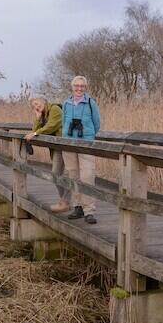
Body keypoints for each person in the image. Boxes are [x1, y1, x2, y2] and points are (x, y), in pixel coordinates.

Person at [62, 76, 100, 224]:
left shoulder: (91, 103)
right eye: (76, 86)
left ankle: (89, 211)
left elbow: (97, 123)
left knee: (87, 176)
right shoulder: (66, 103)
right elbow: (64, 121)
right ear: (72, 87)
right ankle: (77, 207)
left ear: (85, 88)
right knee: (73, 175)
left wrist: (88, 135)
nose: (79, 88)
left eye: (82, 86)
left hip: (86, 143)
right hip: (69, 143)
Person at [25, 97, 70, 213]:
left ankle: (66, 202)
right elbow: (34, 130)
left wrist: (35, 133)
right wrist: (38, 118)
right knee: (56, 174)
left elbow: (51, 126)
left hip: (65, 145)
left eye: (37, 103)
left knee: (63, 173)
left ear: (44, 101)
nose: (36, 106)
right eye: (33, 106)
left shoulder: (54, 109)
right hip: (57, 148)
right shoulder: (44, 114)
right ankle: (64, 202)